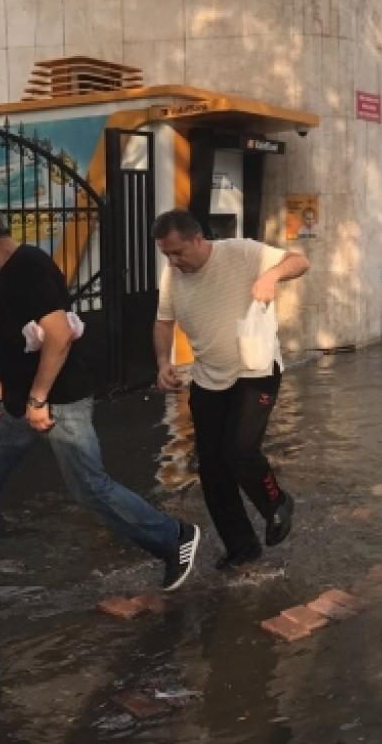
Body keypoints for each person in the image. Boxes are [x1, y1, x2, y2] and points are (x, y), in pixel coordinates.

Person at [0, 202, 199, 616]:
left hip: (56, 402)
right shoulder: (5, 274)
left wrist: (38, 397)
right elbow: (17, 339)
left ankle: (174, 538)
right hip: (20, 403)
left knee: (90, 488)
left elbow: (59, 335)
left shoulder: (29, 267)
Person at [153, 209, 307, 571]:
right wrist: (163, 362)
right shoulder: (172, 275)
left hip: (254, 371)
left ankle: (276, 504)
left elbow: (300, 261)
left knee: (239, 450)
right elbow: (163, 321)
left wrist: (272, 274)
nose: (173, 261)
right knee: (211, 466)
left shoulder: (240, 251)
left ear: (197, 239)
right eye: (166, 255)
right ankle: (241, 546)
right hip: (208, 376)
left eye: (178, 252)